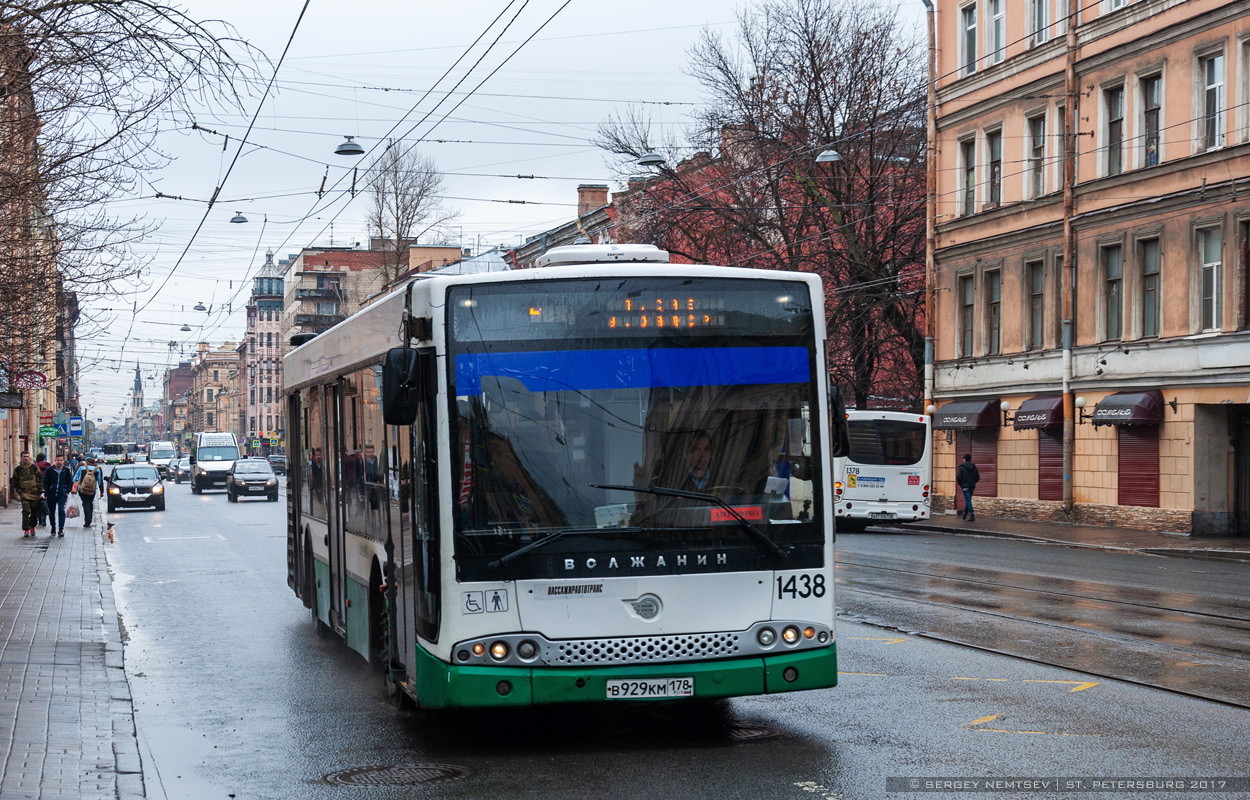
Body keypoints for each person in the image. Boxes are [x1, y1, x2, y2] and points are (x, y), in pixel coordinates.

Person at [12, 452, 44, 538]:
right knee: (26, 511)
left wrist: (40, 491)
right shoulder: (18, 470)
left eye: (27, 456)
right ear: (21, 458)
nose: (26, 458)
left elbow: (40, 479)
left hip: (34, 494)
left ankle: (32, 526)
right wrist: (20, 492)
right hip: (24, 494)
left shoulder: (34, 468)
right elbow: (15, 482)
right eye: (24, 457)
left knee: (34, 512)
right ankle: (26, 529)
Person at [42, 454, 74, 538]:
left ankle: (61, 529)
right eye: (58, 460)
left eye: (61, 460)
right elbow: (45, 482)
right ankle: (53, 527)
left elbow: (70, 482)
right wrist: (47, 492)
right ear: (55, 461)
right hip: (51, 494)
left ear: (63, 461)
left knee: (61, 511)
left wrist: (67, 491)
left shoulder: (66, 470)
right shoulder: (50, 470)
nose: (59, 462)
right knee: (51, 512)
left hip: (62, 494)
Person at [73, 456, 105, 528]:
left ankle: (87, 521)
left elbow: (75, 476)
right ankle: (89, 519)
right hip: (92, 490)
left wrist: (71, 486)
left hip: (82, 489)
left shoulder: (81, 465)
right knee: (90, 503)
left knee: (85, 503)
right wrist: (101, 491)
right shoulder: (98, 467)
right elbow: (100, 481)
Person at [956, 453, 981, 522]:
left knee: (968, 500)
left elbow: (958, 477)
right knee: (968, 500)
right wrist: (973, 482)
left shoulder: (961, 467)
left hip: (965, 486)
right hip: (972, 486)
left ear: (964, 459)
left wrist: (961, 484)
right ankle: (965, 513)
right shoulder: (974, 467)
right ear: (970, 459)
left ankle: (972, 515)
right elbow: (977, 477)